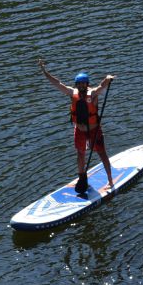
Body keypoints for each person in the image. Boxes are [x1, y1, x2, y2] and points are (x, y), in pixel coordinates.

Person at [39, 58, 115, 194]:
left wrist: (107, 79)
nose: (81, 86)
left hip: (94, 130)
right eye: (79, 84)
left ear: (87, 84)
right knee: (80, 155)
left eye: (83, 84)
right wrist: (45, 72)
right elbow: (57, 84)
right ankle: (82, 179)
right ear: (76, 84)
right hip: (79, 130)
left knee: (102, 154)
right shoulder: (71, 93)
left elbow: (101, 87)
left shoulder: (92, 94)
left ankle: (110, 181)